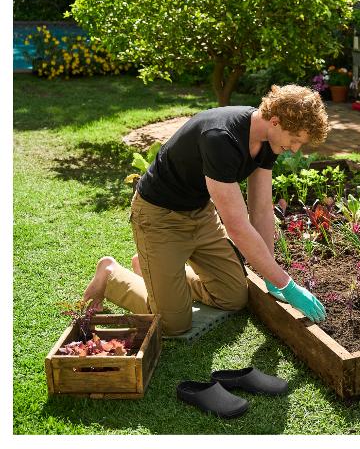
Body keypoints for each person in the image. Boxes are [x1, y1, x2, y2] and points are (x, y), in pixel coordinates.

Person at [82, 84, 329, 335]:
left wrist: (271, 275)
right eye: (295, 139)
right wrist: (287, 284)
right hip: (160, 217)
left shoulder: (268, 140)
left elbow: (262, 210)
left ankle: (155, 274)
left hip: (200, 213)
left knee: (233, 296)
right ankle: (111, 275)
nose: (296, 148)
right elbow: (238, 226)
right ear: (275, 121)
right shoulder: (221, 138)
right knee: (173, 324)